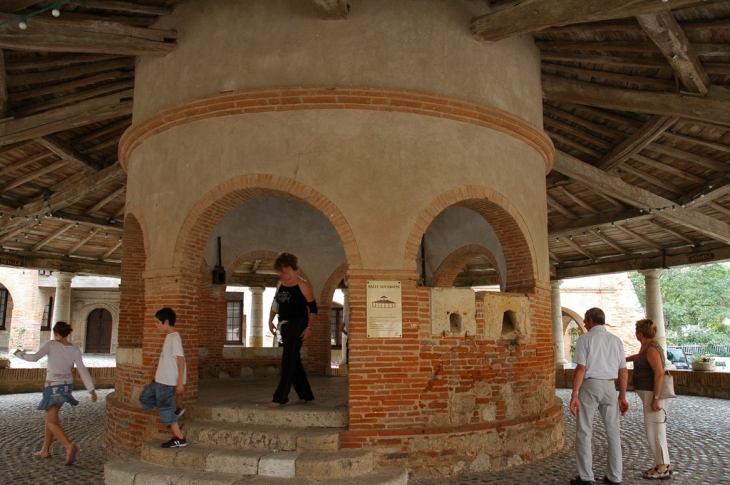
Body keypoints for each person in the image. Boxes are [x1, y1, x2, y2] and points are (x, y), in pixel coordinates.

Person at [14, 321, 97, 465]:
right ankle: (45, 450)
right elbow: (82, 370)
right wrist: (91, 389)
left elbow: (34, 358)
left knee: (52, 421)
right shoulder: (75, 349)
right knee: (50, 419)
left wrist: (19, 354)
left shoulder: (52, 344)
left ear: (56, 333)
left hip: (53, 386)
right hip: (66, 387)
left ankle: (68, 446)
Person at [569, 307, 629, 485]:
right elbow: (623, 370)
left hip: (590, 385)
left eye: (586, 322)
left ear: (591, 320)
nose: (585, 325)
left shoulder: (585, 339)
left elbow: (581, 368)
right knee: (613, 433)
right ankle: (615, 476)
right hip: (610, 386)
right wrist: (623, 396)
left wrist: (574, 394)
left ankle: (586, 477)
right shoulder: (616, 340)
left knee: (584, 430)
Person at [267, 252, 316, 407]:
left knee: (288, 358)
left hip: (299, 323)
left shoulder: (302, 284)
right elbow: (276, 304)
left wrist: (309, 327)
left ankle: (280, 397)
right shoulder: (280, 283)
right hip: (284, 324)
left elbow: (314, 309)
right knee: (294, 359)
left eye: (281, 270)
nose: (279, 273)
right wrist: (270, 319)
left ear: (290, 268)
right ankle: (305, 394)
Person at [626, 319, 672, 480]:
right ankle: (663, 463)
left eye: (636, 330)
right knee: (654, 428)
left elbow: (659, 373)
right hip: (648, 393)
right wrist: (625, 359)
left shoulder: (652, 348)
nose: (635, 333)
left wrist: (656, 398)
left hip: (653, 394)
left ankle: (662, 467)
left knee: (655, 430)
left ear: (640, 333)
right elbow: (640, 358)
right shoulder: (646, 347)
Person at [139, 307, 188, 448]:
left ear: (166, 322)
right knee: (145, 398)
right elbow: (169, 358)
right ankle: (173, 411)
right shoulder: (169, 337)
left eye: (157, 322)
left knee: (165, 410)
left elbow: (181, 360)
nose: (156, 325)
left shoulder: (175, 338)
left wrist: (180, 383)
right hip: (160, 379)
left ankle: (179, 438)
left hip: (166, 382)